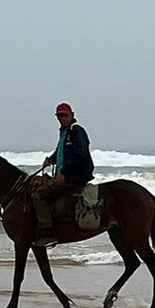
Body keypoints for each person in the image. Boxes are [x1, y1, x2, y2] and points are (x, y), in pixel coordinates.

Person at [31, 102, 95, 246]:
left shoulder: (76, 130)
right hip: (67, 174)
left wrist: (64, 173)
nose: (61, 118)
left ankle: (48, 232)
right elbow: (62, 152)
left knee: (38, 196)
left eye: (64, 115)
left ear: (72, 114)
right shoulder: (65, 131)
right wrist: (51, 160)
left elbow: (80, 154)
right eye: (59, 116)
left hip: (75, 176)